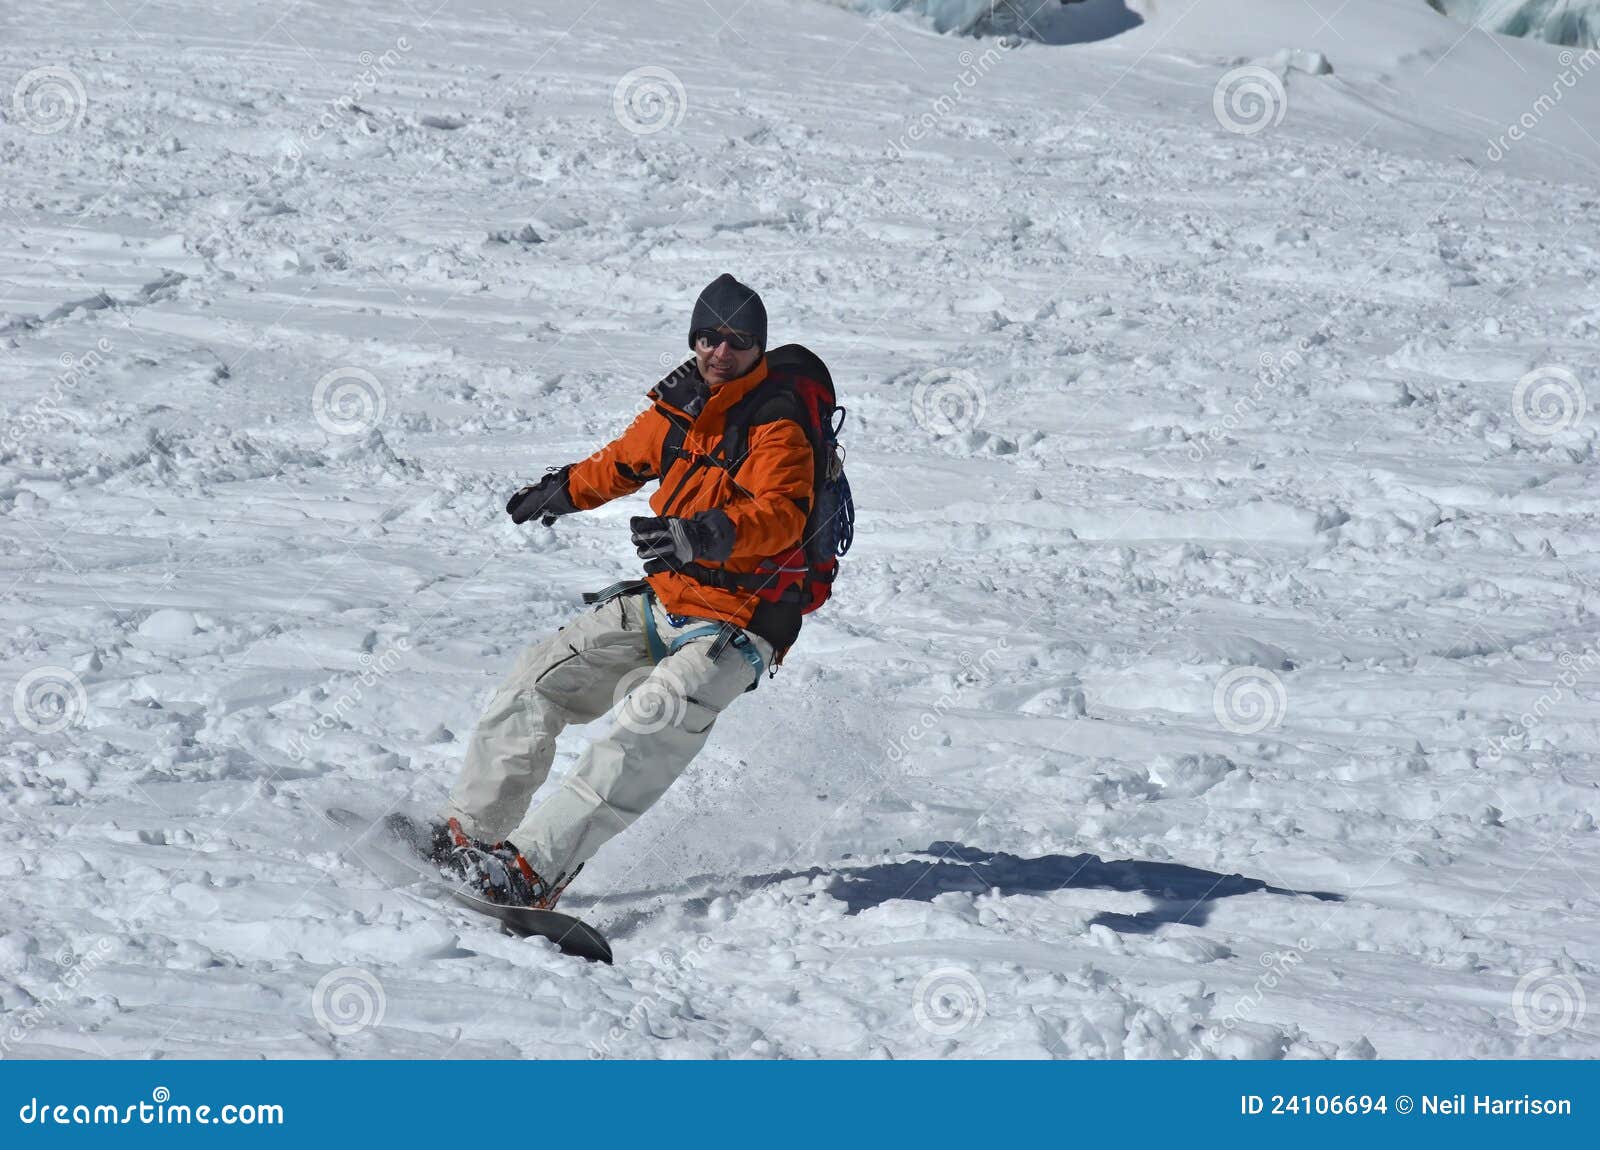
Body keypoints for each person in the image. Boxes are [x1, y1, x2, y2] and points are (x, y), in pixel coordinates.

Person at [426, 274, 819, 908]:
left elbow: (784, 516)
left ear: (759, 348)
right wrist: (562, 492)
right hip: (663, 600)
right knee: (537, 681)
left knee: (644, 727)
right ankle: (467, 835)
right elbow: (624, 461)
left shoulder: (779, 424)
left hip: (738, 623)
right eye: (708, 337)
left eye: (738, 341)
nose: (720, 352)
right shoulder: (686, 403)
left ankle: (530, 871)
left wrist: (706, 534)